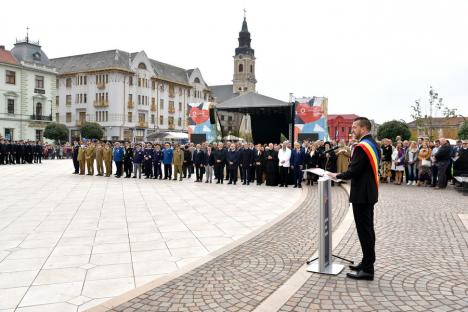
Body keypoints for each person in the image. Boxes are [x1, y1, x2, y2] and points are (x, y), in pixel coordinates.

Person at [328, 117, 379, 281]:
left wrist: (337, 175)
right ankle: (366, 262)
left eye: (355, 127)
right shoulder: (372, 144)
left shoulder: (362, 147)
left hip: (362, 195)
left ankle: (368, 269)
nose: (352, 130)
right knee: (368, 229)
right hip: (368, 192)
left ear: (364, 128)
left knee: (365, 231)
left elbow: (354, 170)